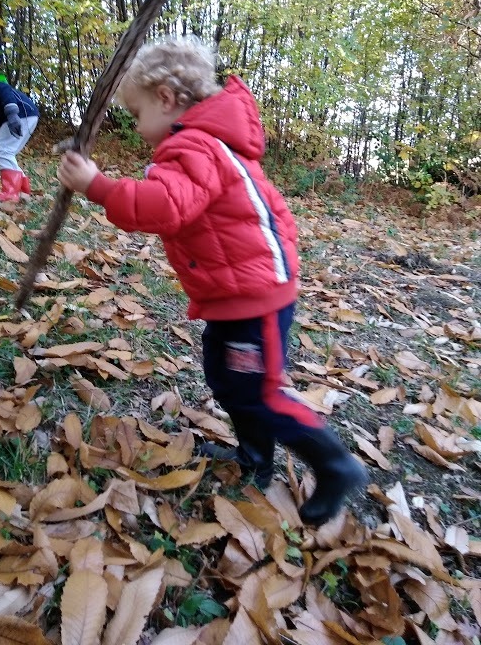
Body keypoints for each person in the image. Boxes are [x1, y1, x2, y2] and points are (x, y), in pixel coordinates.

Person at [57, 37, 367, 527]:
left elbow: (166, 207)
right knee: (230, 382)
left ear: (165, 98)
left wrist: (97, 185)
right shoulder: (202, 144)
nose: (137, 129)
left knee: (258, 390)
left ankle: (337, 465)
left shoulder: (194, 145)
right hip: (233, 295)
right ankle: (254, 462)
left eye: (136, 114)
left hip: (254, 295)